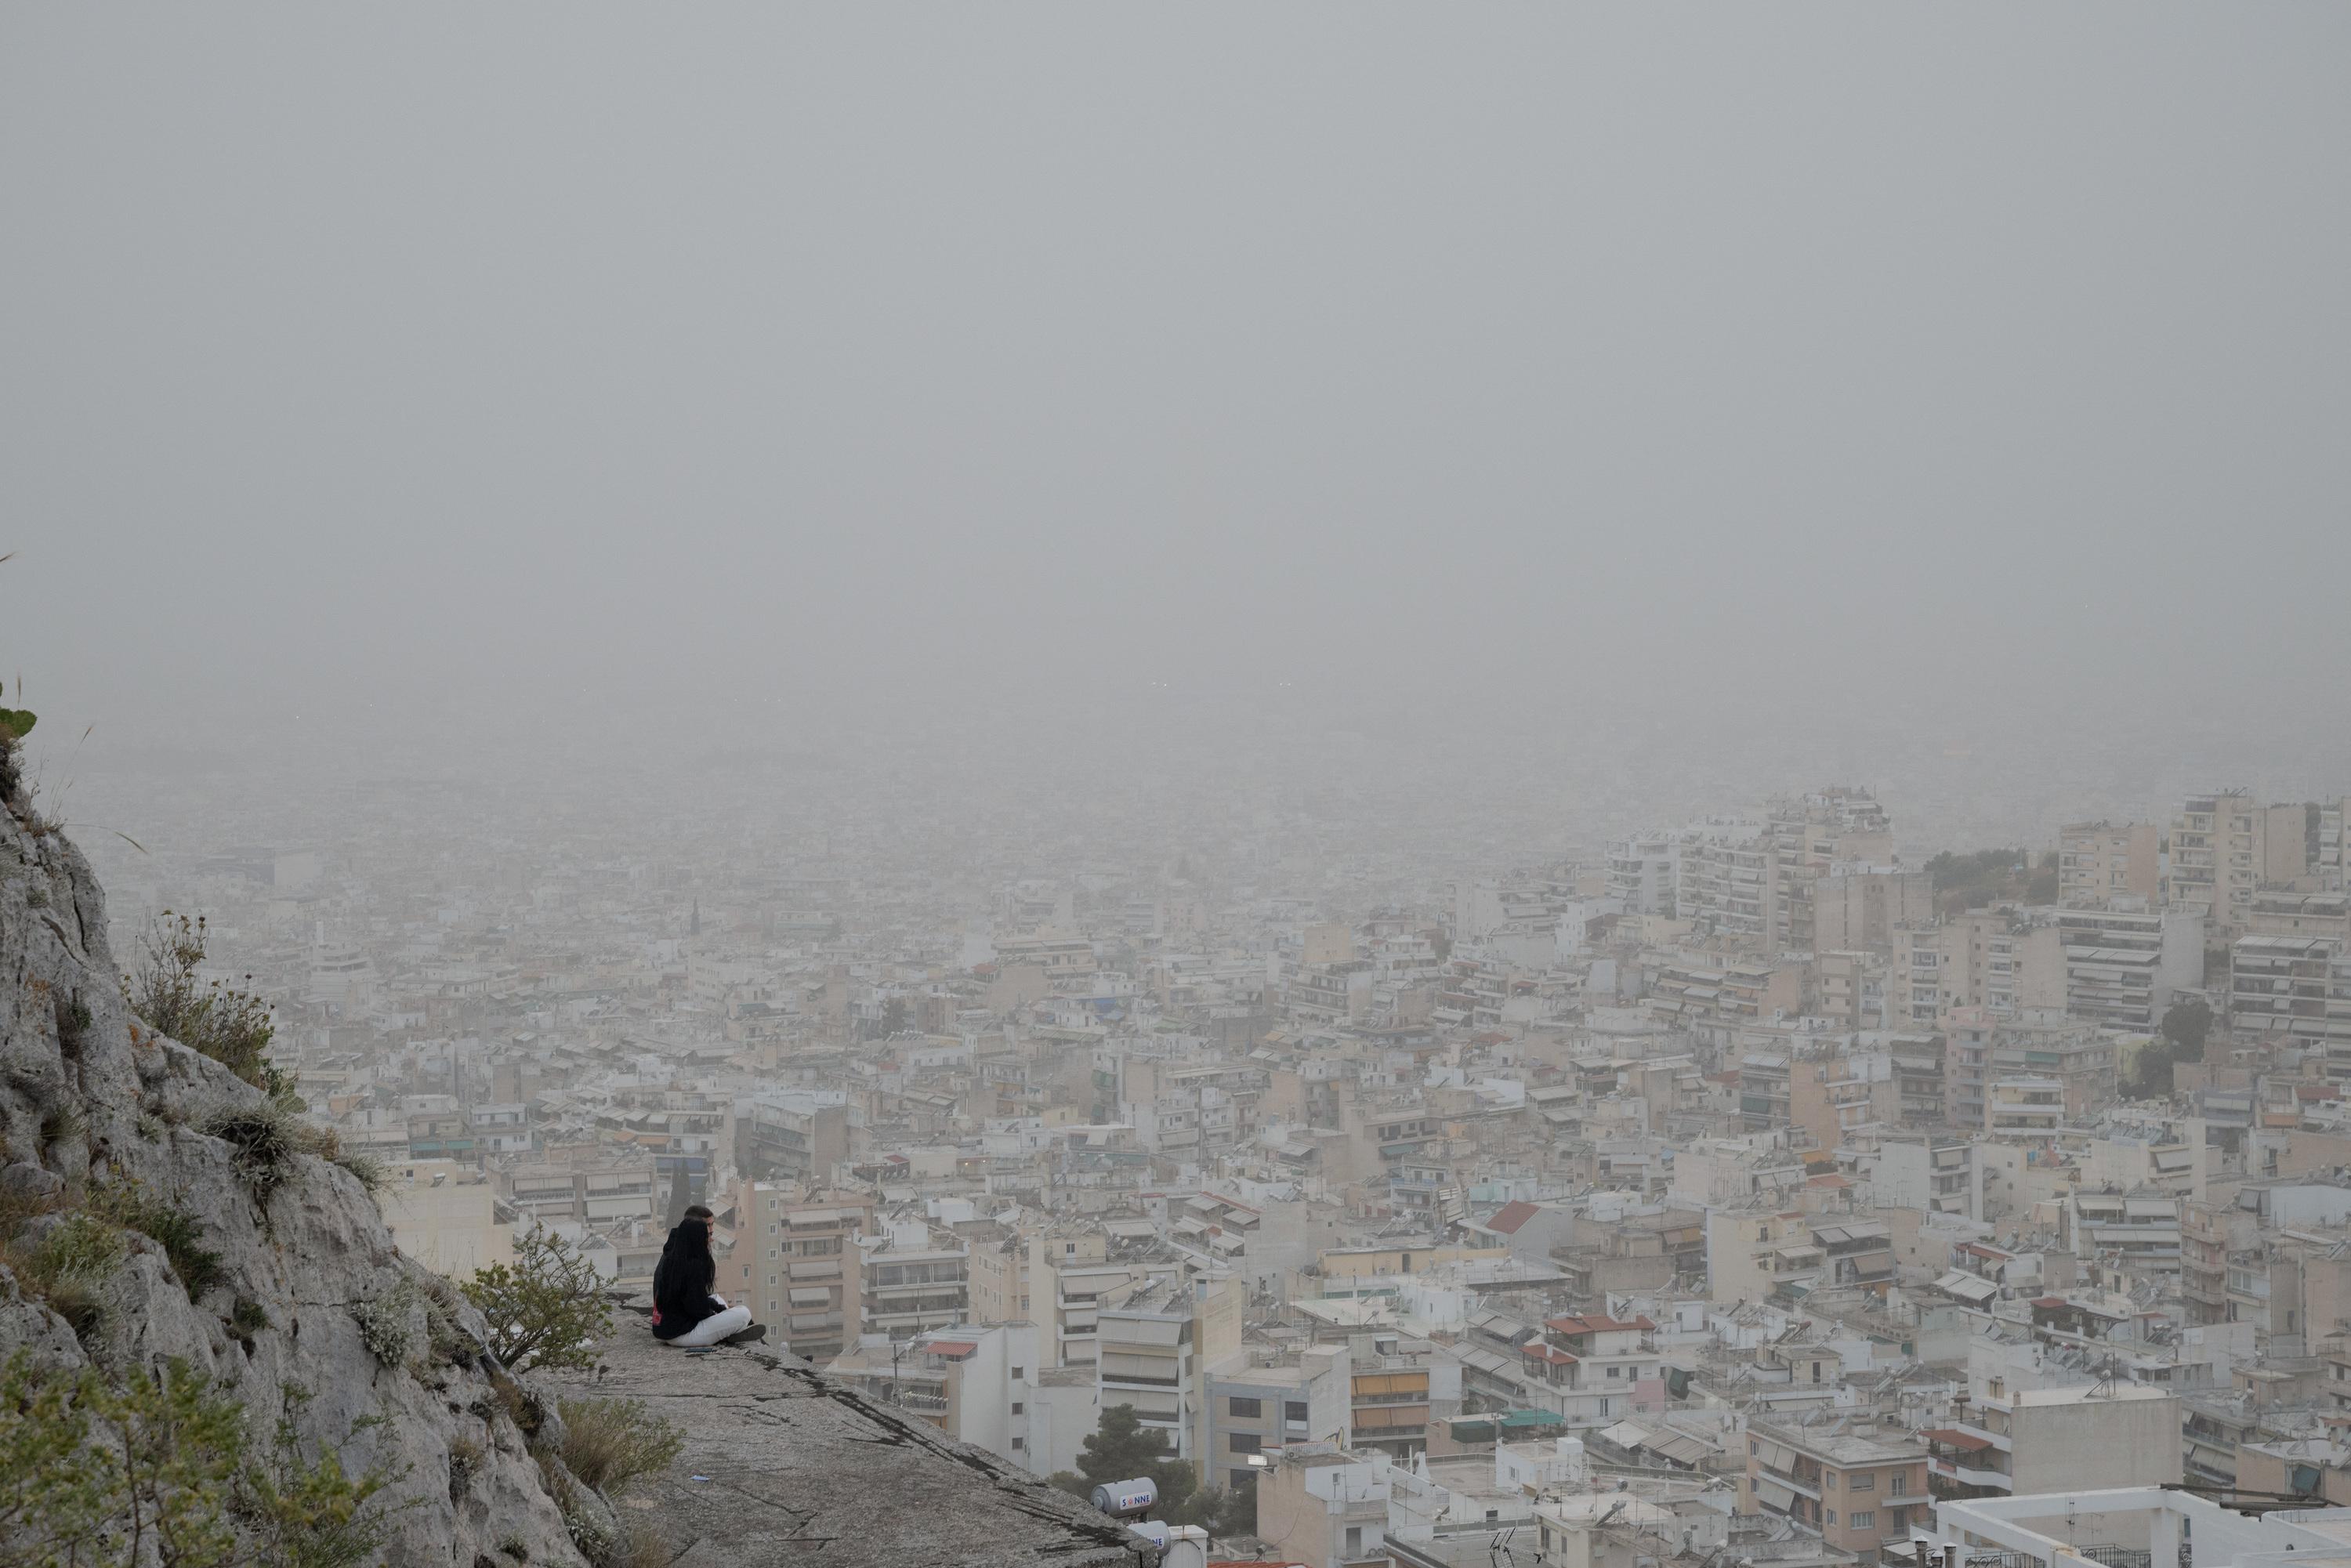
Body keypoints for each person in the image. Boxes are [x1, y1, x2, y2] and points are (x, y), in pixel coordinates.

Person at [650, 1203, 757, 1347]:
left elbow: (690, 1299)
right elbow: (697, 1309)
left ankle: (730, 1329)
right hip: (682, 1334)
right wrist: (716, 1315)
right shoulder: (692, 1266)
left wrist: (717, 1309)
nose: (710, 1239)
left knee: (716, 1298)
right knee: (744, 1313)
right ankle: (733, 1332)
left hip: (664, 1329)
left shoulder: (674, 1259)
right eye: (706, 1235)